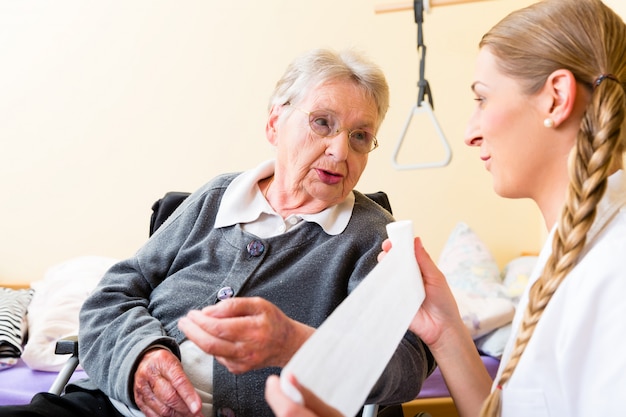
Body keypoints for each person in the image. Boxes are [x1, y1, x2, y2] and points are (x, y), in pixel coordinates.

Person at [0, 48, 434, 417]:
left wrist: (295, 344)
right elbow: (112, 294)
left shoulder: (371, 236)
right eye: (322, 122)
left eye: (361, 136)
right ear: (273, 124)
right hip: (117, 405)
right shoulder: (217, 197)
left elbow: (405, 363)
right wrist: (140, 356)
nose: (340, 150)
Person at [265, 0, 626, 416]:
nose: (470, 133)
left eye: (482, 99)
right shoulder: (570, 257)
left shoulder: (612, 272)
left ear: (556, 98)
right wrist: (446, 331)